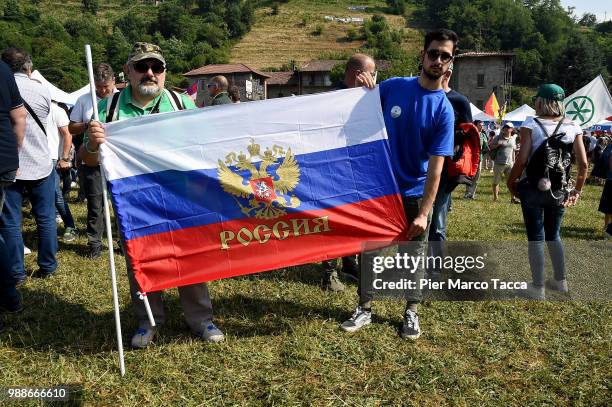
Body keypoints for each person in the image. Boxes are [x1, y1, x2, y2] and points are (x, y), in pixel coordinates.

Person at [82, 42, 224, 348]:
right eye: (142, 67)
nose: (150, 73)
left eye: (156, 67)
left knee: (190, 258)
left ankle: (200, 319)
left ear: (164, 73)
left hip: (181, 196)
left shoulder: (179, 102)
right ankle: (148, 320)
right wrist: (92, 144)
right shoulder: (107, 108)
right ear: (128, 71)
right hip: (134, 202)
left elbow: (203, 144)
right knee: (140, 262)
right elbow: (88, 158)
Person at [340, 29, 456, 339]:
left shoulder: (444, 111)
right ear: (423, 55)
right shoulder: (392, 88)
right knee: (370, 253)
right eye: (434, 53)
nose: (438, 60)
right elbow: (359, 114)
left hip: (414, 195)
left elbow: (436, 168)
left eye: (445, 56)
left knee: (412, 258)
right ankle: (365, 308)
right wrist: (364, 90)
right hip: (379, 191)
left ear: (450, 63)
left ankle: (411, 313)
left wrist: (424, 213)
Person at [507, 84, 588, 299]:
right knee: (554, 235)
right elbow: (584, 164)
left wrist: (511, 183)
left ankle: (537, 287)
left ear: (541, 101)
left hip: (534, 188)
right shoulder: (573, 125)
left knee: (536, 237)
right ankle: (560, 282)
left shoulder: (530, 123)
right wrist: (576, 191)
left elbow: (522, 159)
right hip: (560, 190)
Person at [0, 47, 57, 284]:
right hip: (41, 162)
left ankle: (16, 273)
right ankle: (48, 265)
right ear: (28, 66)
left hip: (10, 164)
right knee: (45, 218)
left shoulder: (3, 87)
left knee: (12, 222)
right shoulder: (42, 91)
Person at [321, 53, 377, 292]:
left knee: (354, 218)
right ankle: (329, 273)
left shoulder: (365, 97)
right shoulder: (333, 98)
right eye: (372, 73)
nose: (375, 78)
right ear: (359, 74)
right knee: (334, 222)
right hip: (335, 172)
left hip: (357, 170)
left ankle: (349, 262)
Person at [69, 63, 117, 258]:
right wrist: (88, 124)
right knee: (95, 204)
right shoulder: (84, 100)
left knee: (122, 203)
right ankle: (94, 244)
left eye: (106, 86)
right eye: (98, 86)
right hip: (93, 161)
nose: (103, 90)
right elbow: (71, 128)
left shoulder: (122, 99)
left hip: (118, 162)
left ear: (114, 81)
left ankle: (123, 241)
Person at [427, 62, 472, 262]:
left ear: (449, 73)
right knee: (420, 218)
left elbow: (469, 134)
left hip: (445, 170)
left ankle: (435, 267)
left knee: (437, 220)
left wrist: (449, 137)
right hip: (419, 168)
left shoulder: (459, 101)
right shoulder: (423, 96)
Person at [0, 59, 27, 331]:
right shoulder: (4, 70)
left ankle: (9, 293)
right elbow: (20, 117)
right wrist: (13, 153)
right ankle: (10, 293)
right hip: (5, 160)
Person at [47, 100, 76, 242]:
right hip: (31, 159)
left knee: (55, 194)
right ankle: (46, 229)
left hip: (51, 158)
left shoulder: (56, 110)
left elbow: (67, 134)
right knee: (40, 196)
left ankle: (70, 225)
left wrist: (64, 158)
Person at [490, 122, 518, 202]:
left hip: (510, 164)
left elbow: (513, 150)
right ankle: (495, 198)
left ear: (511, 129)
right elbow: (491, 146)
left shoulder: (513, 139)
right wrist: (498, 145)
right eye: (505, 127)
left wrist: (514, 162)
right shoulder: (498, 137)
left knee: (511, 182)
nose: (506, 128)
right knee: (496, 181)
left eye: (508, 127)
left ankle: (513, 198)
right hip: (499, 163)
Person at [465, 120, 489, 199]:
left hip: (479, 159)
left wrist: (485, 149)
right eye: (480, 125)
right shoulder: (470, 134)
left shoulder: (483, 135)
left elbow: (486, 147)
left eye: (482, 125)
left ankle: (472, 194)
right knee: (470, 176)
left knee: (477, 177)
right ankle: (467, 193)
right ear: (475, 126)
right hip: (471, 159)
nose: (482, 126)